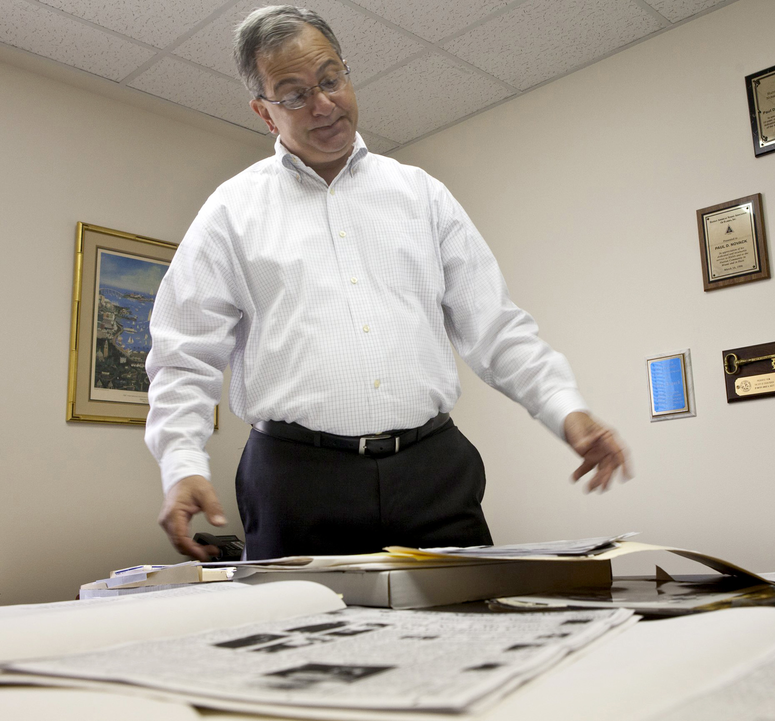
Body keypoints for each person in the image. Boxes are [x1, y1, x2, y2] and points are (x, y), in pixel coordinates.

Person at [145, 5, 631, 562]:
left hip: (432, 472)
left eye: (332, 79)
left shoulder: (421, 195)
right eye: (295, 93)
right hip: (297, 482)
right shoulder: (231, 211)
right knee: (307, 644)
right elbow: (183, 355)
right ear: (264, 112)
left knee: (474, 635)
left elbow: (495, 328)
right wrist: (181, 463)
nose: (324, 103)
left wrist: (566, 408)